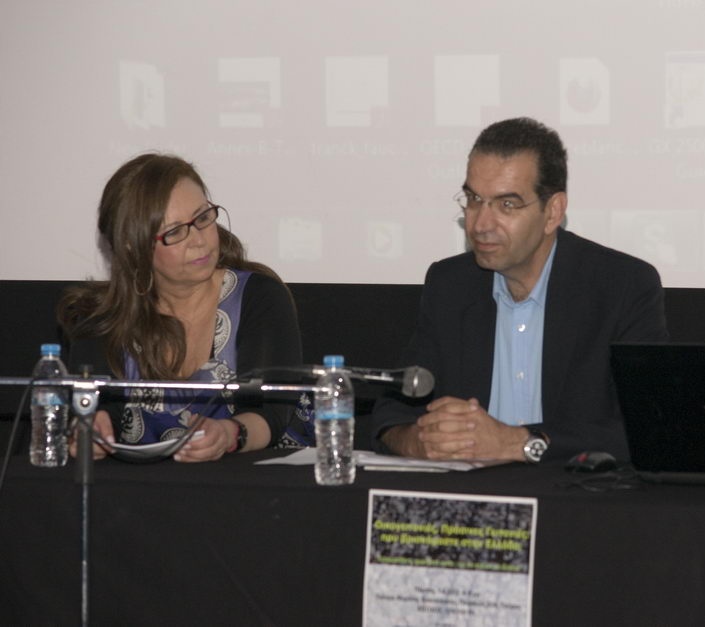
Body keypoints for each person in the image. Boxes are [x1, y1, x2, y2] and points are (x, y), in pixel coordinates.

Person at [372, 117, 669, 463]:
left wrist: (518, 443)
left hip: (570, 492)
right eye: (474, 199)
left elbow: (649, 426)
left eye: (507, 205)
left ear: (552, 212)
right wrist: (420, 442)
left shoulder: (622, 285)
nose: (480, 224)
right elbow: (393, 409)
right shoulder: (450, 284)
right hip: (471, 492)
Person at [58, 153, 308, 462]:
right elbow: (95, 411)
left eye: (202, 218)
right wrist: (89, 429)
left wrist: (229, 434)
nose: (199, 241)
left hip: (255, 480)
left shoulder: (258, 297)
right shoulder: (101, 318)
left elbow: (272, 412)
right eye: (175, 232)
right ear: (132, 246)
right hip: (140, 488)